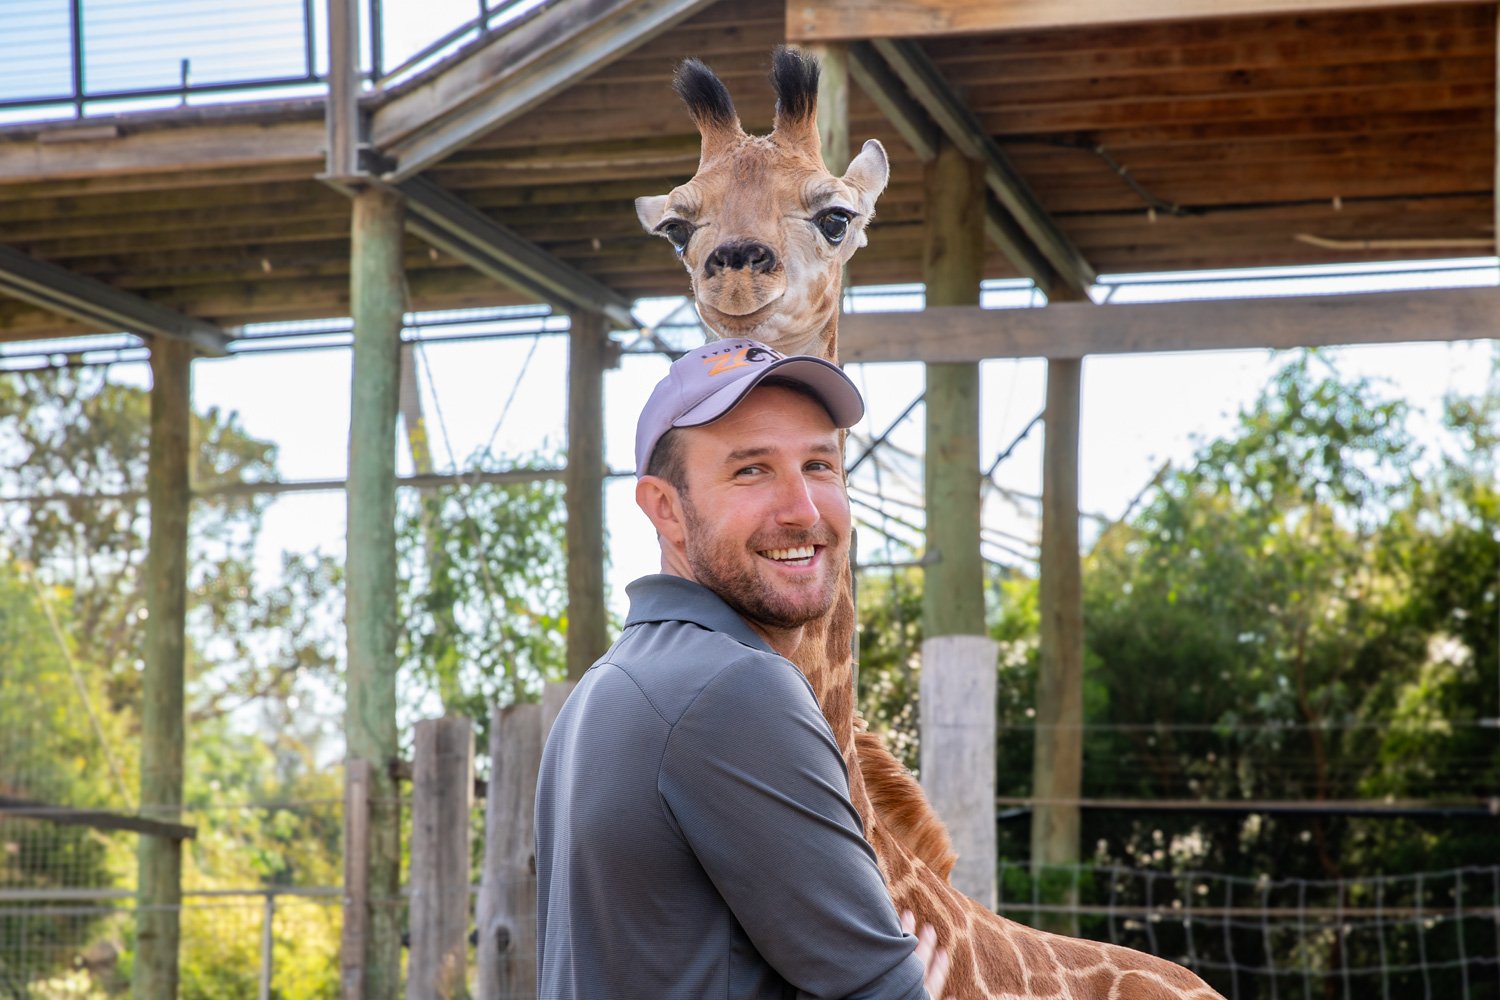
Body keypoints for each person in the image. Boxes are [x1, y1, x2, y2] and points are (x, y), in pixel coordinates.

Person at [534, 338, 950, 999]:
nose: (804, 510)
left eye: (820, 464)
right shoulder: (732, 688)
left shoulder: (603, 691)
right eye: (751, 471)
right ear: (666, 509)